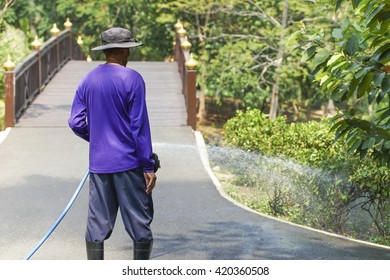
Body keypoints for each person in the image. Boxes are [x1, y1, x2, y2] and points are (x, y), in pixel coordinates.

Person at [68, 27, 157, 260]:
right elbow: (139, 127)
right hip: (129, 163)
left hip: (99, 166)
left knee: (96, 226)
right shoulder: (132, 79)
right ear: (124, 51)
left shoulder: (88, 79)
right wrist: (148, 166)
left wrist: (97, 138)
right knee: (139, 224)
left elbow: (75, 122)